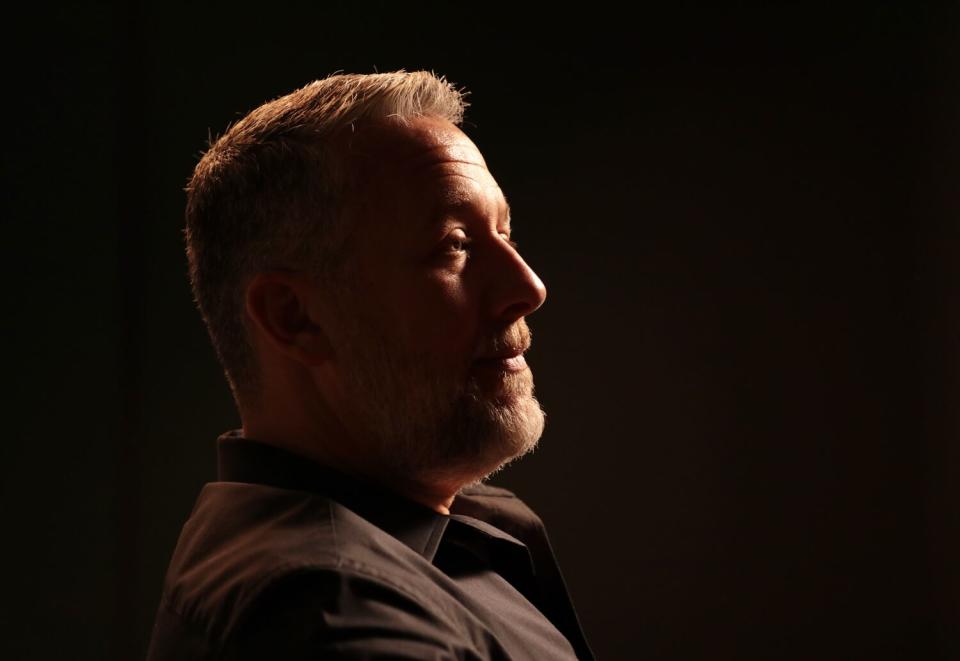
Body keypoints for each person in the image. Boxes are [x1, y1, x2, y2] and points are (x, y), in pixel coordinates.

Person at [146, 71, 594, 660]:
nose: (528, 286)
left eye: (505, 233)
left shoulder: (433, 523)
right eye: (453, 245)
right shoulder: (335, 618)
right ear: (295, 317)